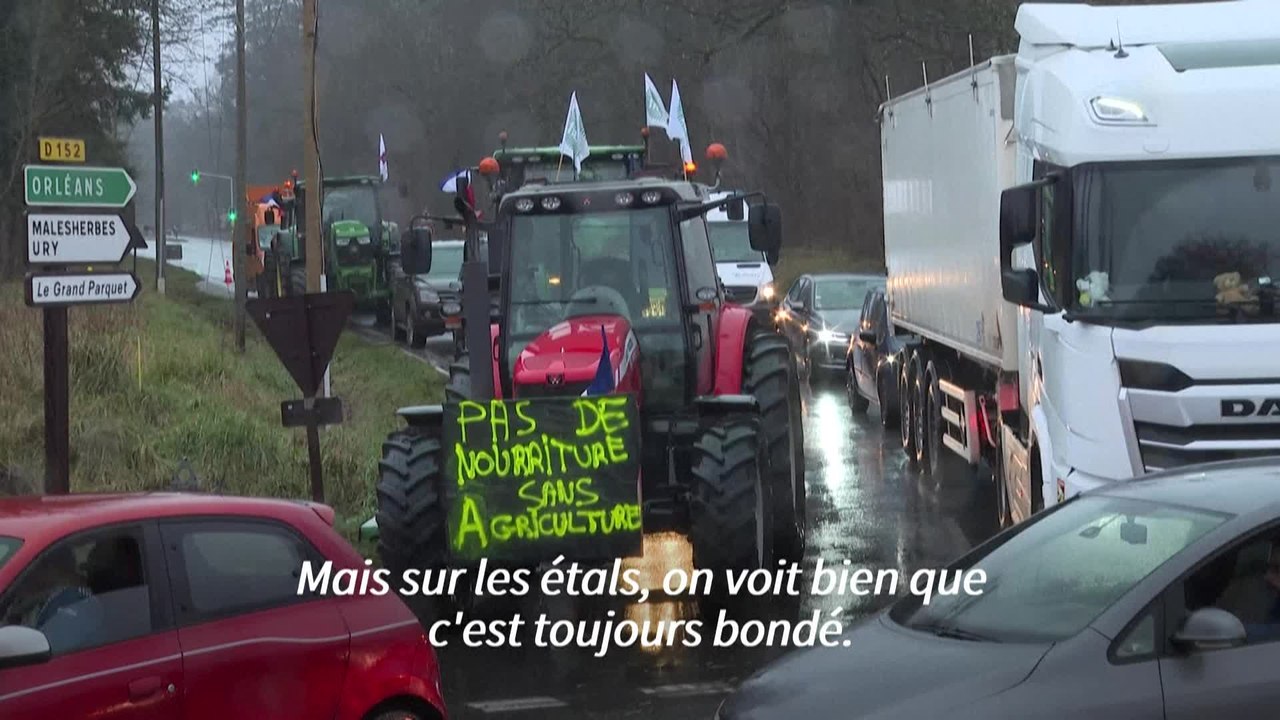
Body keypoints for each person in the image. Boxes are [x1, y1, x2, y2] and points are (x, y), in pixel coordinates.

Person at [21, 547, 104, 654]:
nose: (30, 576)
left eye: (36, 568)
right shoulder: (44, 596)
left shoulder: (72, 603)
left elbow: (48, 651)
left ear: (51, 568)